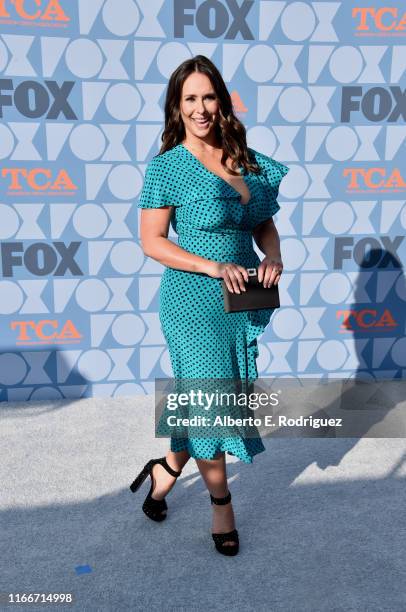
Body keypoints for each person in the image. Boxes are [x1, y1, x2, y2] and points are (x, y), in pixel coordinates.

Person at [130, 55, 289, 556]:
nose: (201, 108)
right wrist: (212, 266)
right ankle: (221, 502)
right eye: (190, 99)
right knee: (211, 399)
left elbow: (262, 221)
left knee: (205, 397)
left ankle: (168, 469)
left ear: (222, 100)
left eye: (208, 96)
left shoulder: (245, 157)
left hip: (239, 294)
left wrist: (274, 254)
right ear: (177, 108)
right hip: (192, 299)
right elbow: (152, 241)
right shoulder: (168, 166)